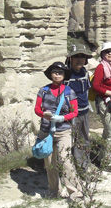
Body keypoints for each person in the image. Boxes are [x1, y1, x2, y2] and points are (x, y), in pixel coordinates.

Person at [34, 62, 81, 199]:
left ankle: (75, 193)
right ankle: (54, 191)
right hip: (46, 131)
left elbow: (74, 112)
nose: (57, 74)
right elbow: (37, 109)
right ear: (50, 74)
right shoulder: (43, 90)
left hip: (63, 131)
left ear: (64, 75)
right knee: (49, 164)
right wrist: (45, 115)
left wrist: (62, 118)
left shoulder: (69, 92)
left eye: (60, 72)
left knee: (65, 161)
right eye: (55, 72)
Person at [91, 41, 111, 172]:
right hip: (105, 102)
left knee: (108, 132)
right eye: (107, 51)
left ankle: (101, 157)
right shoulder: (101, 67)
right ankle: (107, 162)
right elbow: (96, 86)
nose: (110, 53)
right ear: (103, 54)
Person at [65, 44, 93, 170]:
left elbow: (87, 90)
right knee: (71, 139)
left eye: (82, 56)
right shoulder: (65, 74)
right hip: (70, 113)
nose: (79, 59)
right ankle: (70, 166)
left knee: (84, 138)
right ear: (70, 58)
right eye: (76, 56)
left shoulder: (84, 72)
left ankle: (83, 165)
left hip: (84, 111)